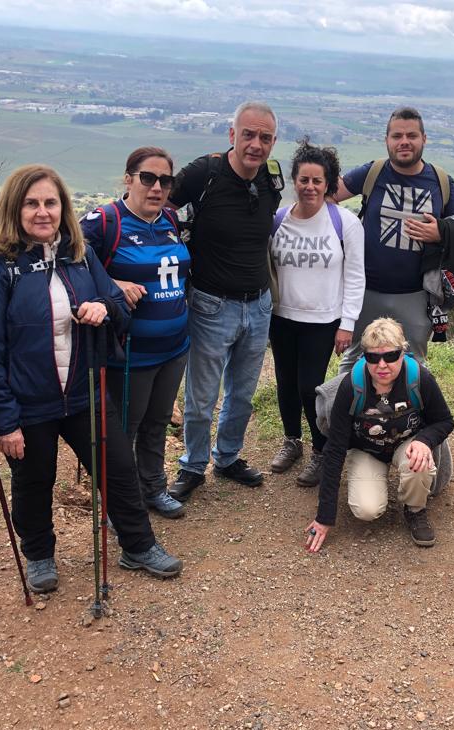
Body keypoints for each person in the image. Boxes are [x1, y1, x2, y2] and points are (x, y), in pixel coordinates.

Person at [0, 164, 182, 595]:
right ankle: (40, 554)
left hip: (85, 391)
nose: (42, 212)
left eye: (50, 202)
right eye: (32, 203)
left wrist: (103, 306)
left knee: (118, 469)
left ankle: (138, 545)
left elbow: (118, 305)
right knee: (33, 479)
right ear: (14, 209)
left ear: (63, 208)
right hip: (28, 402)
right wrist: (4, 421)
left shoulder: (79, 256)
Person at [165, 101, 282, 503]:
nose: (256, 144)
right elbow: (159, 204)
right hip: (211, 304)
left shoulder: (271, 179)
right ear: (232, 134)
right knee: (201, 397)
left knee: (243, 394)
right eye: (248, 134)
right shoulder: (206, 172)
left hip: (259, 303)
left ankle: (228, 457)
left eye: (264, 137)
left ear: (272, 142)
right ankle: (193, 465)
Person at [81, 146, 189, 519]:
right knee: (124, 429)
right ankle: (119, 503)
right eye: (148, 178)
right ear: (129, 179)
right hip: (132, 352)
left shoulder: (170, 220)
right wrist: (112, 284)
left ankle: (153, 487)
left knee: (157, 421)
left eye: (164, 180)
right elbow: (70, 265)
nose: (156, 187)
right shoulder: (104, 221)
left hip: (175, 347)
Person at [304, 317, 454, 553]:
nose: (382, 365)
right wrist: (325, 516)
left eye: (391, 356)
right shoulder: (351, 385)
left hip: (407, 443)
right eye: (373, 357)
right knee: (367, 510)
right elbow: (334, 449)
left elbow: (444, 420)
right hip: (366, 450)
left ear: (403, 352)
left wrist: (425, 441)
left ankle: (415, 509)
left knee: (419, 463)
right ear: (364, 356)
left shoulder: (420, 378)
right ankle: (374, 482)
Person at [268, 140, 365, 486]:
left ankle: (322, 451)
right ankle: (291, 440)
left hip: (323, 320)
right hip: (281, 317)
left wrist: (348, 323)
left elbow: (356, 276)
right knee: (286, 383)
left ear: (329, 184)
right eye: (304, 180)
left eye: (318, 181)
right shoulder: (279, 218)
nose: (310, 187)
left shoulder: (344, 223)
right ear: (294, 180)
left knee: (310, 386)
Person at [334, 106, 454, 369]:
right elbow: (327, 194)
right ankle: (345, 410)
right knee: (356, 360)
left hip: (415, 293)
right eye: (397, 136)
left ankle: (410, 411)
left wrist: (440, 233)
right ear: (387, 140)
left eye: (412, 135)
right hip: (366, 291)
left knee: (413, 363)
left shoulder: (441, 182)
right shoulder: (373, 172)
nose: (404, 142)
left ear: (424, 139)